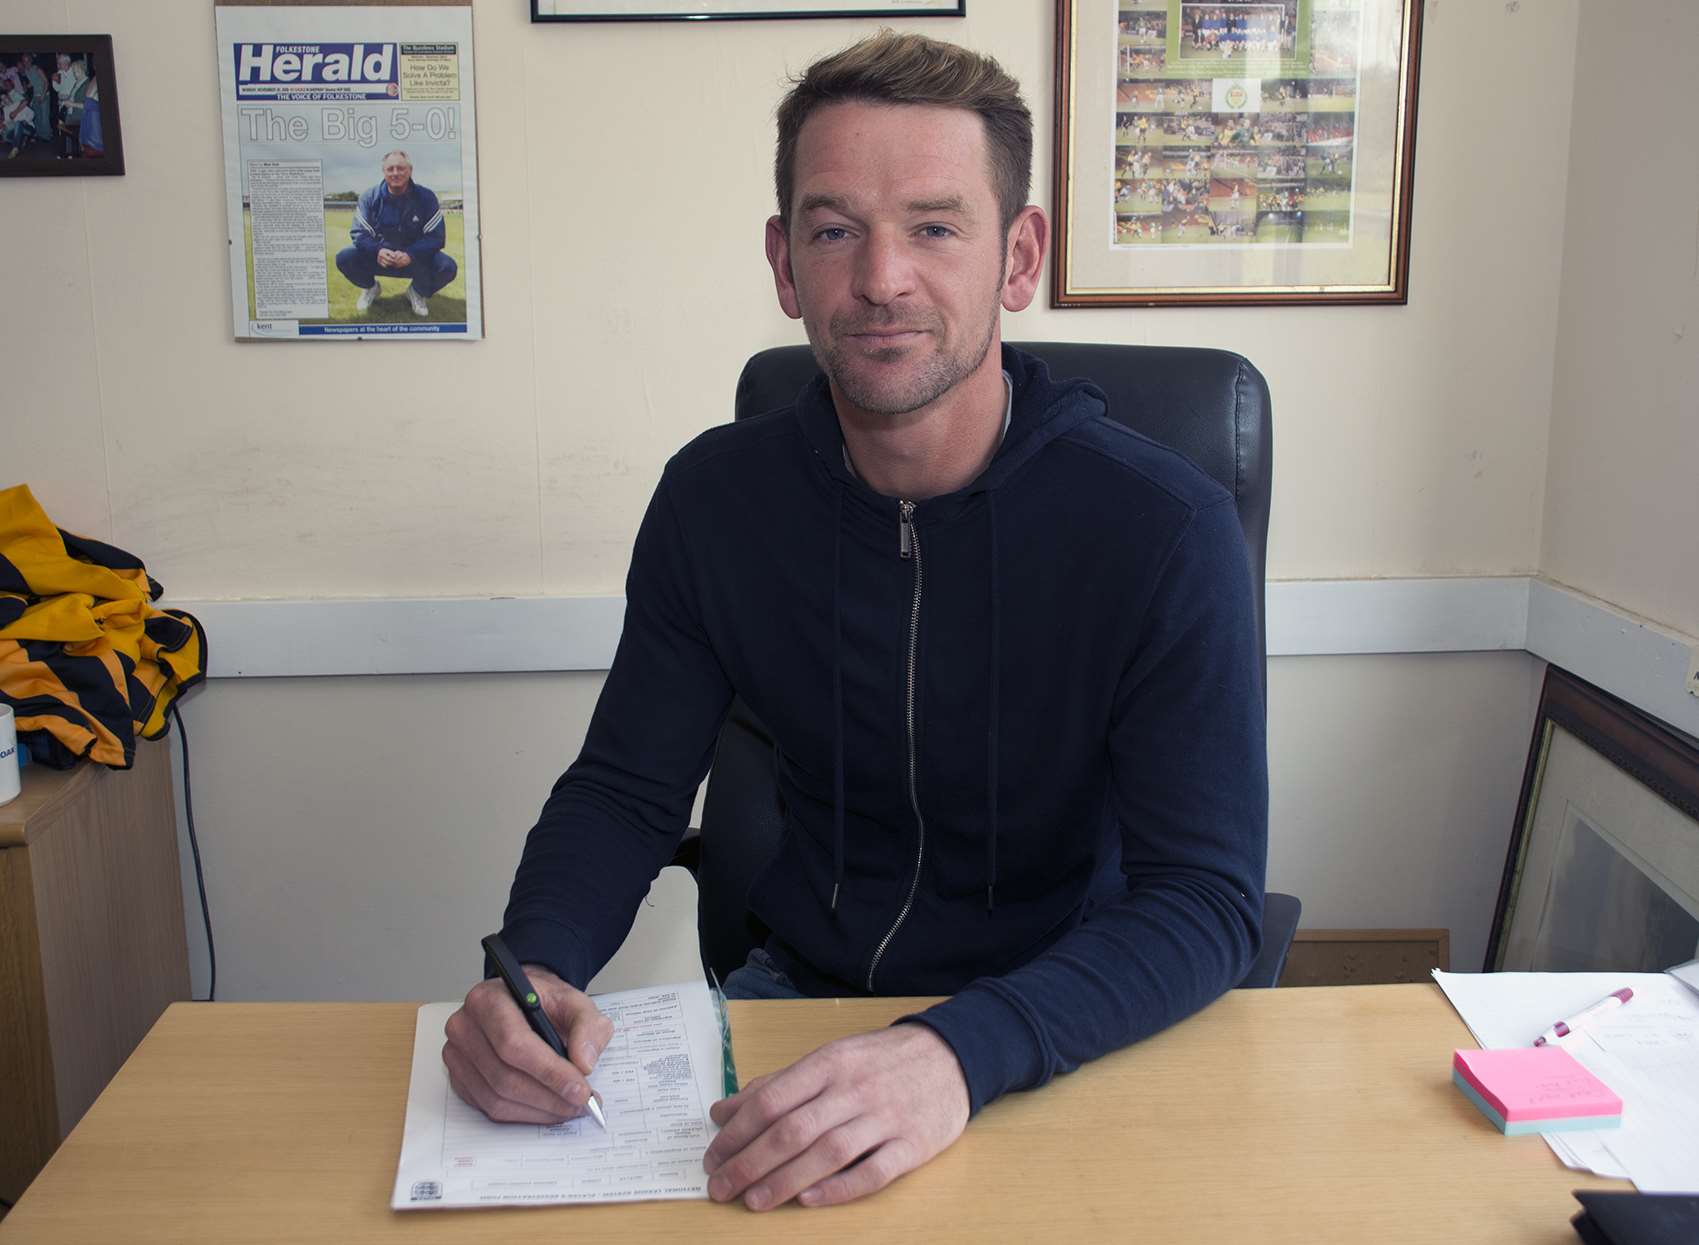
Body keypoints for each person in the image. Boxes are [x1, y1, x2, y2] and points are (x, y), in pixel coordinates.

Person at [443, 30, 1266, 1212]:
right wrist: (533, 970)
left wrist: (952, 1053)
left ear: (1017, 255)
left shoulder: (1162, 529)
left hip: (1065, 1019)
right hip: (806, 1006)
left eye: (935, 226)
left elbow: (1204, 900)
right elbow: (625, 791)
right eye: (835, 230)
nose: (882, 278)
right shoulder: (714, 501)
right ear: (785, 266)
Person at [332, 150, 457, 317]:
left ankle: (417, 291)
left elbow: (436, 237)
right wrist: (377, 251)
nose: (395, 173)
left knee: (447, 267)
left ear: (410, 171)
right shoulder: (369, 197)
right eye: (390, 169)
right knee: (344, 257)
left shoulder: (426, 197)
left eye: (401, 168)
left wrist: (411, 254)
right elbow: (359, 233)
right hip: (380, 258)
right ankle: (370, 288)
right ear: (383, 172)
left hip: (414, 261)